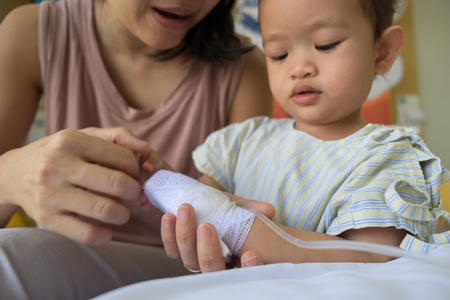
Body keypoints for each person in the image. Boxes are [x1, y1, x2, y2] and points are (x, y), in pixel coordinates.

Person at [0, 0, 273, 298]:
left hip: (183, 274)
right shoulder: (34, 31)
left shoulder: (246, 69)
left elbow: (247, 238)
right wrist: (9, 179)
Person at [159, 0, 450, 270]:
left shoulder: (386, 154)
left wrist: (240, 228)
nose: (298, 69)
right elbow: (197, 205)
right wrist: (169, 197)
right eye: (279, 54)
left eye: (325, 45)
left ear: (382, 51)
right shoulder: (241, 141)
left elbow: (372, 259)